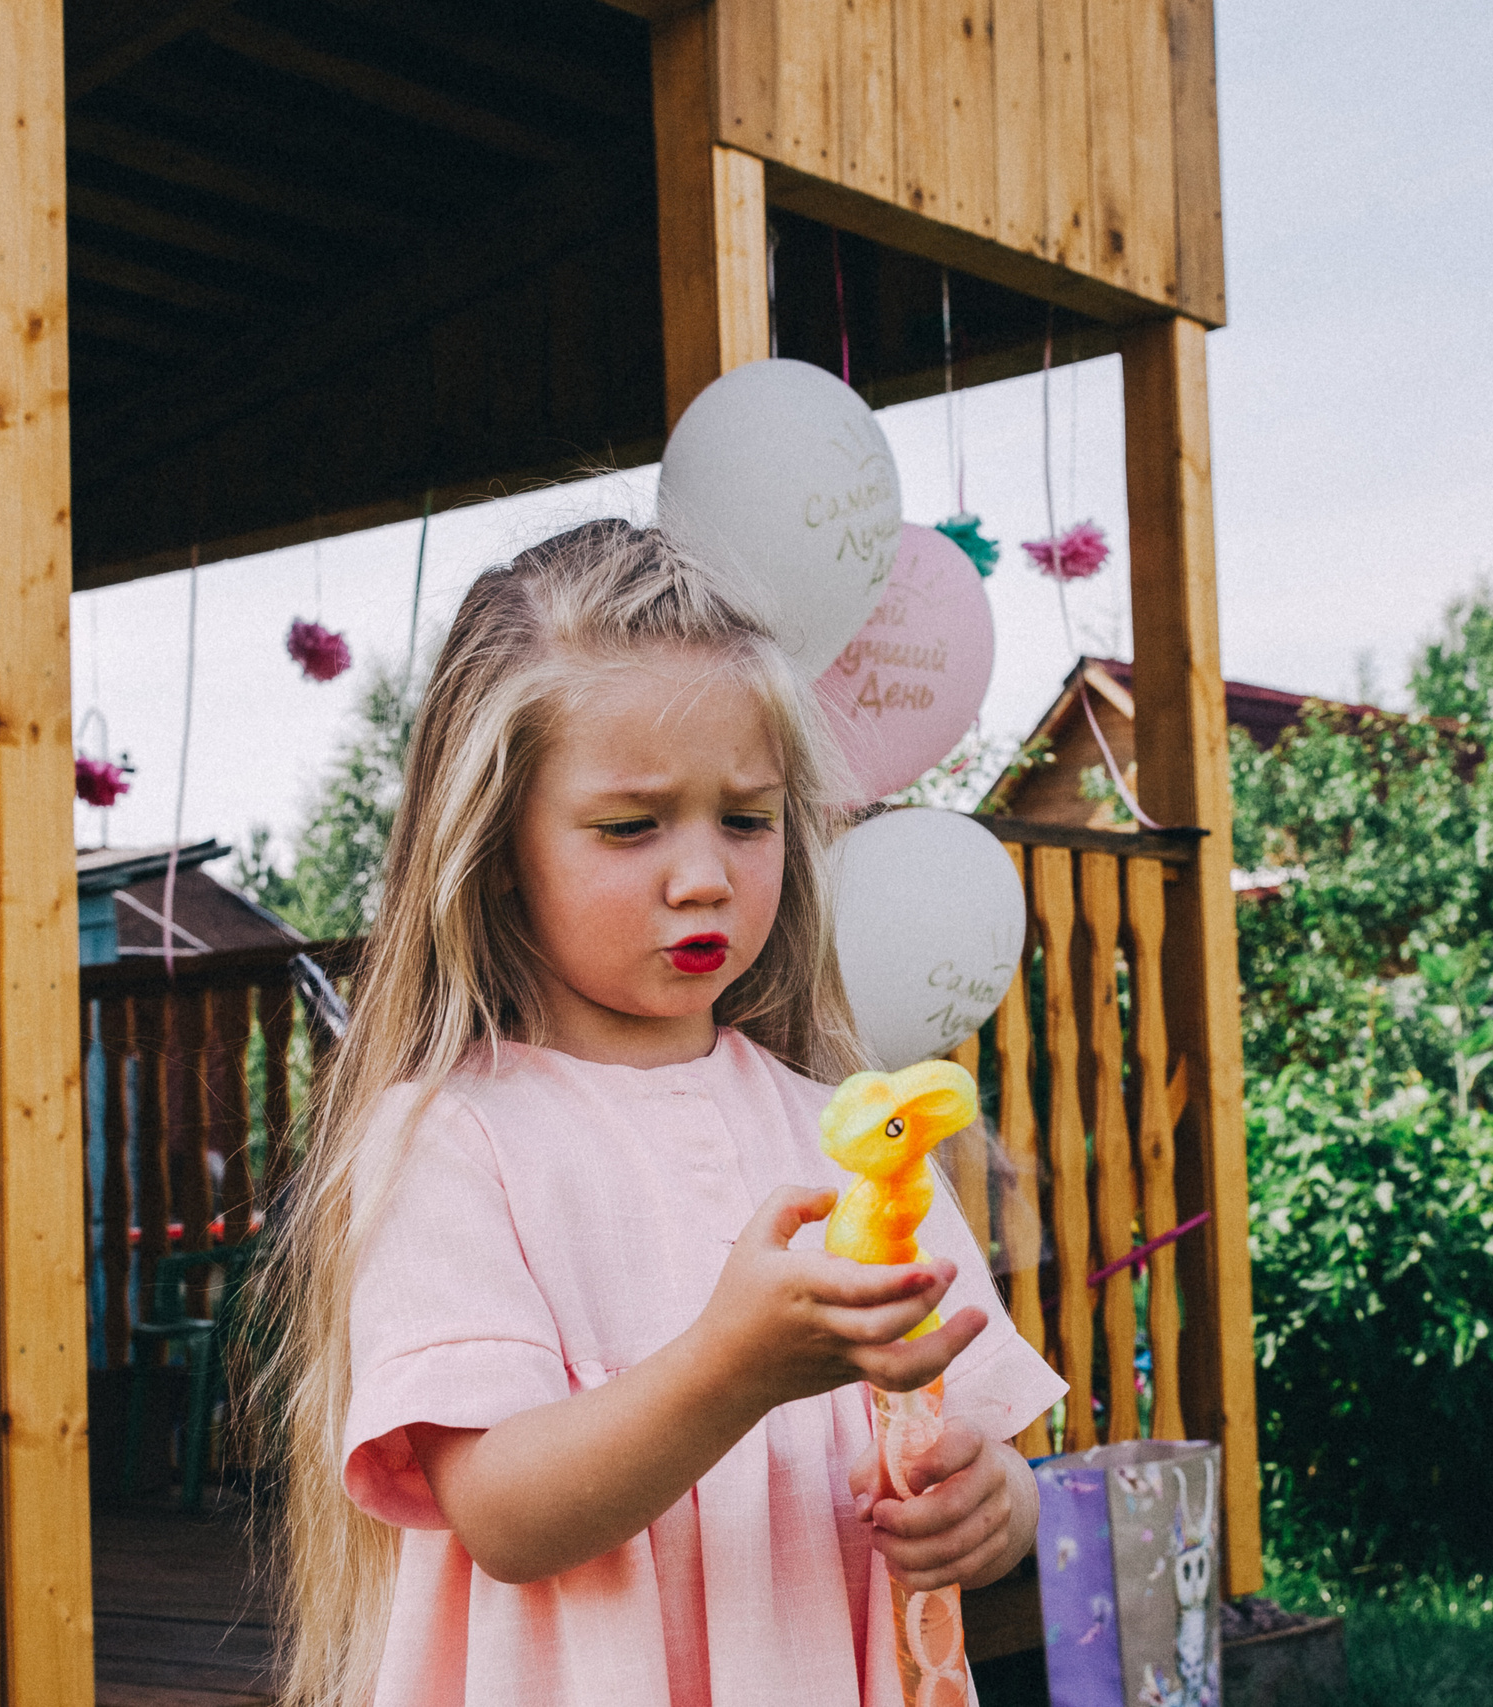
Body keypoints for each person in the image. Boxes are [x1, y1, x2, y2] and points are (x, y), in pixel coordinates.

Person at [256, 521, 1062, 1707]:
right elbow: (504, 1517)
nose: (704, 876)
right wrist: (730, 1367)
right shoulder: (449, 1144)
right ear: (493, 849)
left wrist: (1001, 1500)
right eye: (631, 827)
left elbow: (975, 1431)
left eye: (747, 819)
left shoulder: (851, 1134)